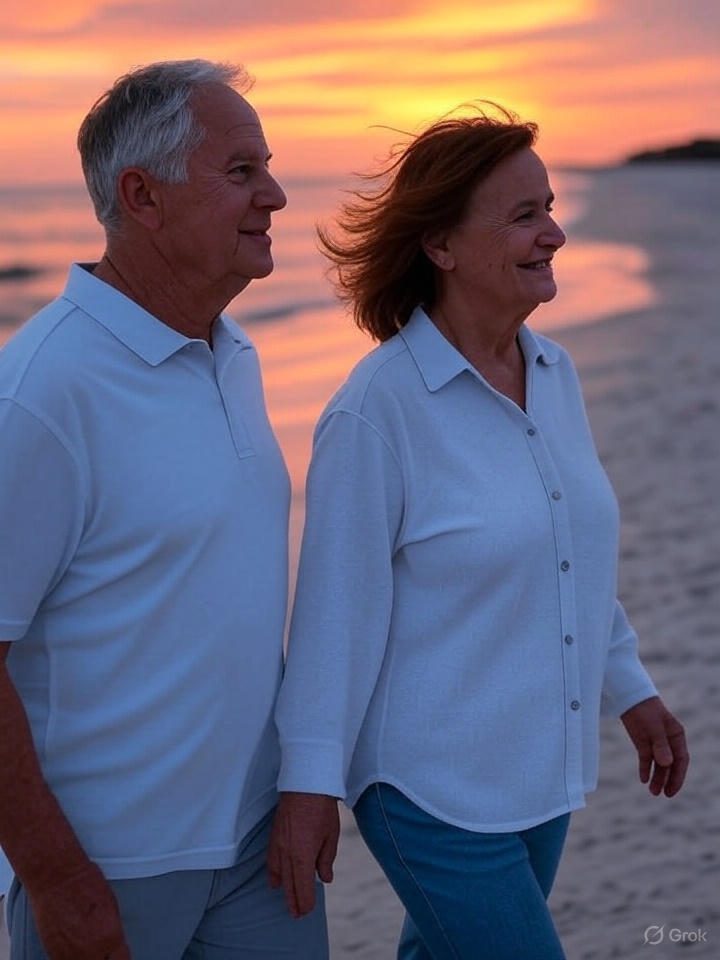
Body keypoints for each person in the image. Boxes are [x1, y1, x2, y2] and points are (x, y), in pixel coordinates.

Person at [268, 106, 690, 959]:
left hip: (538, 771)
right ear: (441, 245)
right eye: (525, 216)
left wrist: (629, 686)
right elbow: (333, 618)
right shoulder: (376, 411)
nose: (556, 234)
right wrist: (307, 787)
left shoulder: (554, 372)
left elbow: (568, 551)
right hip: (426, 787)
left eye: (552, 206)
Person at [0, 60, 328, 960]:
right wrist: (57, 880)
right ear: (142, 196)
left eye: (267, 165)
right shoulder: (40, 396)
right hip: (110, 871)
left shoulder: (234, 355)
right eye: (240, 173)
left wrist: (305, 785)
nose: (277, 195)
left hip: (262, 855)